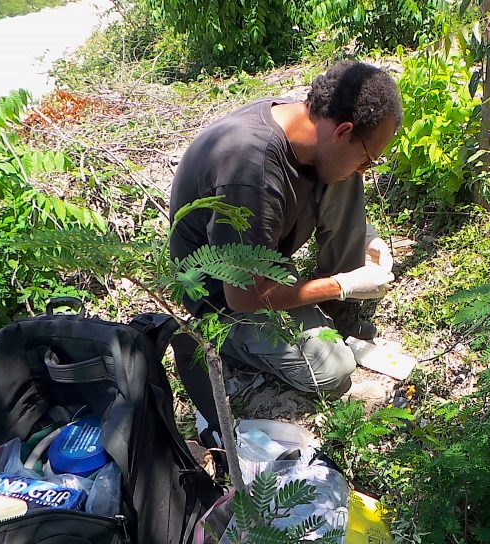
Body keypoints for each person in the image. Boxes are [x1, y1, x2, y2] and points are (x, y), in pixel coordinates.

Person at [169, 60, 403, 431]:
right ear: (343, 130)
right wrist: (343, 285)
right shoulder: (251, 172)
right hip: (222, 298)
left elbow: (332, 174)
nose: (365, 169)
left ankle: (335, 315)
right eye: (367, 160)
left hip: (263, 260)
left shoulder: (308, 124)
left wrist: (366, 234)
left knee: (341, 176)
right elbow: (243, 297)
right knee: (332, 370)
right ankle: (228, 340)